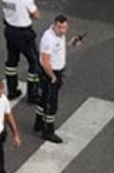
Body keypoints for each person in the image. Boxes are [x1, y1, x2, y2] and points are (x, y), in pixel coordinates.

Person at [34, 15, 83, 143]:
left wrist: (71, 43)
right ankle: (48, 132)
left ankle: (39, 123)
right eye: (59, 27)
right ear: (54, 25)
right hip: (50, 73)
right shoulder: (49, 38)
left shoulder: (59, 36)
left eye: (64, 27)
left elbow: (58, 48)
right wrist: (53, 77)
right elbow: (45, 61)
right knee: (51, 103)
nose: (62, 30)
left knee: (44, 99)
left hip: (54, 71)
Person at [1, 0, 41, 103]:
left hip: (9, 30)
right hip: (23, 33)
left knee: (11, 61)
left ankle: (12, 90)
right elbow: (36, 15)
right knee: (34, 61)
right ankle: (33, 94)